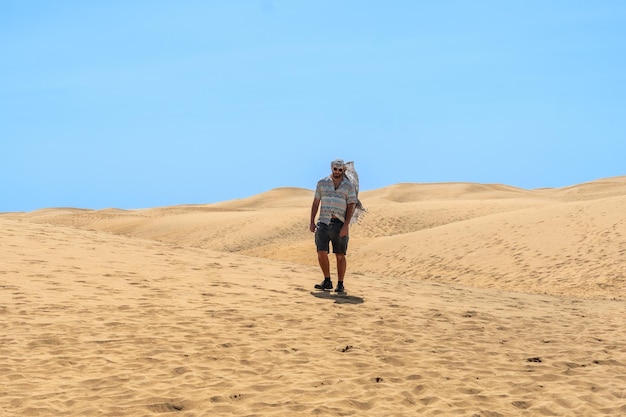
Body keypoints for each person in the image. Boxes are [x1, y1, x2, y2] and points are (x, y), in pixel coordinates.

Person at [310, 159, 357, 293]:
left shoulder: (348, 186)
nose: (337, 172)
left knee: (340, 255)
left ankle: (340, 284)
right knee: (321, 252)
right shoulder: (322, 183)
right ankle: (327, 280)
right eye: (335, 169)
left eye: (340, 170)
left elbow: (351, 206)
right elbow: (315, 203)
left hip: (339, 223)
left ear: (343, 170)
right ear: (331, 168)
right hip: (323, 222)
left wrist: (346, 226)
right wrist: (312, 221)